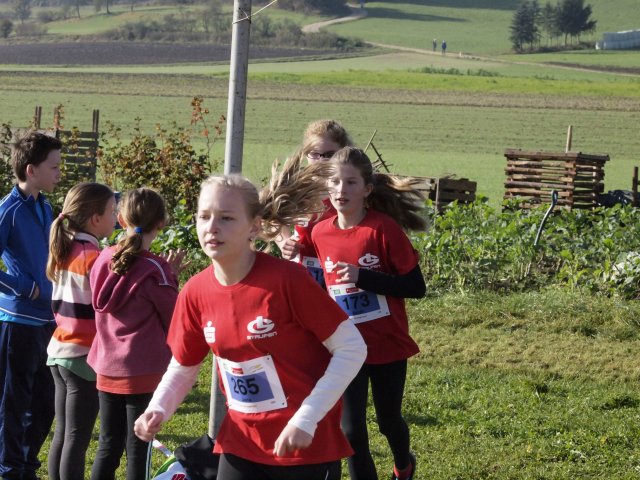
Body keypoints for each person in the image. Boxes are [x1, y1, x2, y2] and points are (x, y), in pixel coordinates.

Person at [134, 167, 367, 480]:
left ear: (254, 226)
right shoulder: (195, 291)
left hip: (302, 445)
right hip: (241, 443)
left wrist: (306, 418)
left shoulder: (287, 281)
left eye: (226, 218)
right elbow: (184, 364)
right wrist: (158, 408)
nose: (212, 227)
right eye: (204, 216)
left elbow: (352, 347)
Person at [311, 147, 427, 480]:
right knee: (351, 431)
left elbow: (416, 287)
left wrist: (363, 277)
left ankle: (403, 465)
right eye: (335, 181)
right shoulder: (320, 232)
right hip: (347, 348)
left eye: (351, 182)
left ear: (367, 189)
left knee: (388, 421)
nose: (341, 190)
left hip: (387, 344)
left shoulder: (383, 229)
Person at [87, 187, 186, 480]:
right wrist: (172, 279)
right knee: (139, 447)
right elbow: (175, 319)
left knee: (108, 445)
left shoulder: (103, 259)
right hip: (143, 371)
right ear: (161, 223)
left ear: (121, 219)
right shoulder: (156, 269)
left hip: (106, 367)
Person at [0, 130, 62, 480]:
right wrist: (25, 287)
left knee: (46, 402)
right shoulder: (7, 210)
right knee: (14, 402)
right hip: (18, 321)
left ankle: (25, 464)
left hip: (50, 321)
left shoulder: (46, 206)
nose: (59, 173)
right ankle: (10, 469)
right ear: (30, 170)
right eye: (53, 167)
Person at [45, 182, 117, 480]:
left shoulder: (65, 249)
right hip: (82, 357)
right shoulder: (94, 257)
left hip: (59, 352)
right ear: (95, 219)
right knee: (77, 438)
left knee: (63, 434)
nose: (116, 218)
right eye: (112, 211)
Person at [277, 119, 353, 287]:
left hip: (344, 277)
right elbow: (271, 217)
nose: (321, 160)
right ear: (306, 154)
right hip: (303, 276)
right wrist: (284, 242)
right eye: (314, 154)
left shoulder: (355, 188)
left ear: (343, 152)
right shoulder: (296, 188)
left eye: (329, 155)